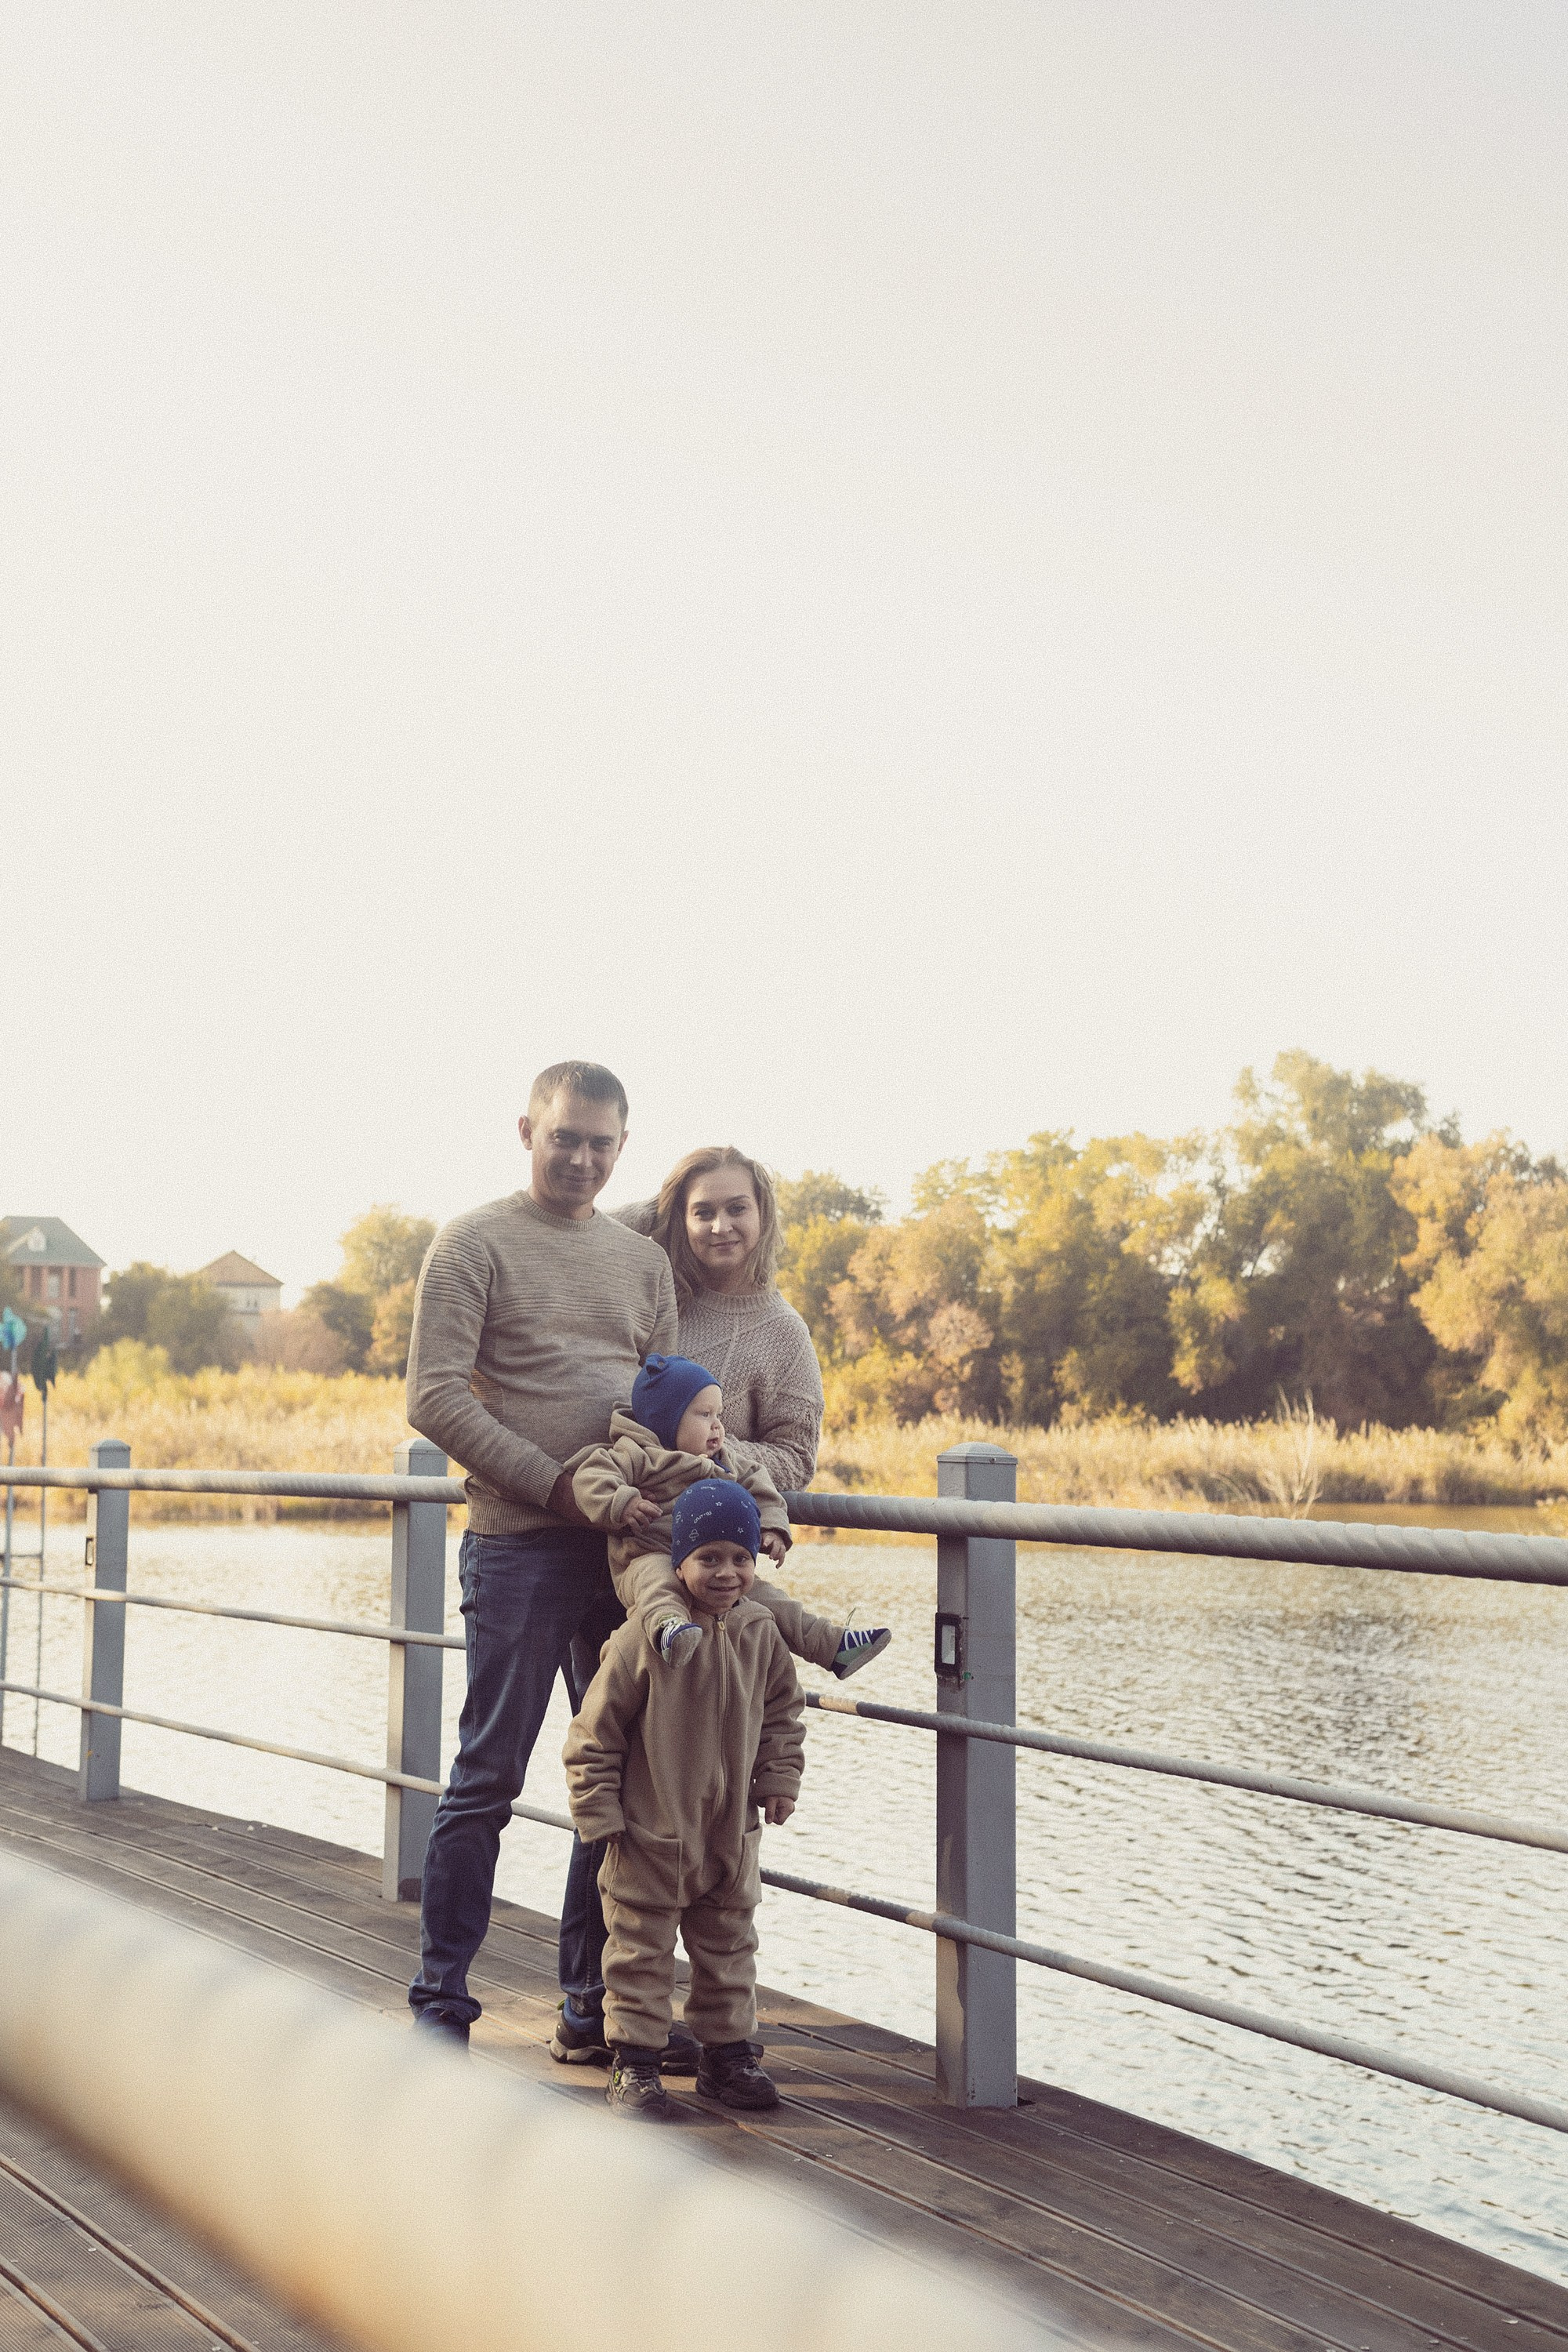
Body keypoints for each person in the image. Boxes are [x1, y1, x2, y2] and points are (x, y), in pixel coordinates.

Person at [402, 1058, 699, 2067]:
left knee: (611, 1777)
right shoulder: (472, 1243)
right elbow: (435, 1397)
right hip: (519, 1546)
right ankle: (441, 2000)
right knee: (486, 1775)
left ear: (623, 1148)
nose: (579, 1157)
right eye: (563, 1136)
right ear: (525, 1130)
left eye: (599, 1143)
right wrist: (554, 1483)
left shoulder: (643, 1264)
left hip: (623, 1556)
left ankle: (588, 2003)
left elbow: (658, 1408)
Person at [562, 1478, 805, 2121]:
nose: (727, 1573)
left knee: (729, 1947)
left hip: (730, 1833)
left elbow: (783, 1715)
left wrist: (779, 1779)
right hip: (649, 1832)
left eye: (741, 1558)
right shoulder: (646, 1634)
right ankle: (634, 2066)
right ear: (679, 1563)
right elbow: (594, 1729)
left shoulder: (760, 1632)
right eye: (709, 1558)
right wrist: (598, 1812)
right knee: (639, 1952)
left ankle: (727, 2057)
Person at [565, 1350, 888, 1677]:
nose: (717, 1426)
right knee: (657, 1584)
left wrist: (772, 1527)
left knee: (769, 1599)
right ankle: (668, 1631)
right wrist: (623, 1502)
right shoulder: (636, 1453)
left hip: (715, 1564)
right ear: (667, 1419)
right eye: (704, 1414)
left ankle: (832, 1646)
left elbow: (759, 1485)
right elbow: (591, 1477)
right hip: (648, 1554)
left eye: (718, 1414)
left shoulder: (724, 1459)